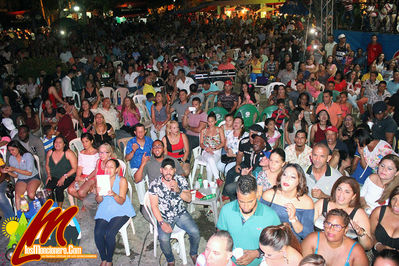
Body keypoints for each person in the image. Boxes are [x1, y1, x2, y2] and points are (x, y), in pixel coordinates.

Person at [217, 175, 280, 266]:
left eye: (250, 201)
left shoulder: (271, 216)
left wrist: (258, 253)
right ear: (237, 194)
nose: (246, 207)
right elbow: (220, 235)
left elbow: (277, 245)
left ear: (257, 194)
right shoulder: (226, 210)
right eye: (241, 201)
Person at [149, 158, 200, 266]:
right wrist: (161, 222)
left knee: (195, 232)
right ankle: (170, 260)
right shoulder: (154, 184)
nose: (168, 172)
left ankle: (194, 253)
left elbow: (189, 199)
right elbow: (154, 206)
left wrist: (178, 190)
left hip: (180, 213)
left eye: (171, 169)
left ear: (174, 170)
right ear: (161, 170)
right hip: (164, 216)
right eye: (165, 169)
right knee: (163, 238)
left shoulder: (180, 180)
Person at [94, 159, 135, 266]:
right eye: (106, 167)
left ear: (117, 169)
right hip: (105, 207)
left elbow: (121, 201)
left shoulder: (122, 180)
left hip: (120, 209)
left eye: (111, 167)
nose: (108, 169)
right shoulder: (101, 180)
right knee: (98, 233)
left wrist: (114, 194)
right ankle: (103, 258)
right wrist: (98, 194)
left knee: (109, 233)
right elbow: (99, 200)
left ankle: (109, 260)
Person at [314, 176, 373, 250]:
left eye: (347, 192)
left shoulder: (359, 213)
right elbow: (307, 226)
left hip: (344, 253)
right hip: (318, 245)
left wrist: (361, 233)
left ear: (353, 196)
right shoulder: (322, 203)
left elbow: (367, 246)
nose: (341, 194)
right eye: (339, 189)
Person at [262, 163, 314, 240]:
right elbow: (259, 220)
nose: (287, 179)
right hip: (269, 238)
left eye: (292, 177)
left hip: (292, 242)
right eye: (284, 175)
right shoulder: (269, 195)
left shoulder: (307, 203)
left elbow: (307, 234)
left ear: (299, 181)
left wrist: (293, 219)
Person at [301, 209, 368, 266]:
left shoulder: (356, 251)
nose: (331, 229)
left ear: (345, 230)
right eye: (328, 224)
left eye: (337, 226)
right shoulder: (312, 239)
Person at [3, 140, 40, 210]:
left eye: (12, 150)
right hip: (21, 179)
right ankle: (21, 217)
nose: (11, 152)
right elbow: (16, 175)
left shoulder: (27, 155)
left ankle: (37, 209)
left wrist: (14, 169)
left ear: (18, 148)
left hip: (33, 177)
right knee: (17, 196)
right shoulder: (11, 158)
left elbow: (29, 173)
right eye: (9, 151)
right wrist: (8, 172)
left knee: (31, 194)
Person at [45, 135, 77, 208]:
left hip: (69, 175)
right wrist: (49, 175)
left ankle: (59, 208)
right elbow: (47, 165)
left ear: (64, 144)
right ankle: (52, 207)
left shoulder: (69, 153)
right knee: (48, 189)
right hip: (54, 175)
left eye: (60, 142)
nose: (57, 144)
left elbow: (74, 169)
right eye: (56, 142)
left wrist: (64, 177)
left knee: (59, 189)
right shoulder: (50, 152)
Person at [125, 123, 153, 206]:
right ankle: (143, 204)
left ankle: (155, 199)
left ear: (145, 131)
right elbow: (127, 158)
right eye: (138, 132)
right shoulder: (131, 142)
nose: (140, 133)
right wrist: (133, 151)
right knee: (140, 181)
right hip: (136, 167)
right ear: (135, 132)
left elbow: (154, 152)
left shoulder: (149, 140)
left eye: (142, 131)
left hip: (148, 165)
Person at [67, 133, 99, 201]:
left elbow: (96, 169)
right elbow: (80, 167)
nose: (84, 144)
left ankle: (88, 204)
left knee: (81, 192)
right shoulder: (82, 152)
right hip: (83, 175)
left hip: (93, 177)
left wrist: (86, 179)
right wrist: (78, 176)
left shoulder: (96, 153)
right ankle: (87, 203)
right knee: (70, 190)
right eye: (83, 142)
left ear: (92, 141)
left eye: (86, 141)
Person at [370, 185, 399, 254]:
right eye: (394, 198)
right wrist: (378, 246)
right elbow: (369, 234)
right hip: (374, 256)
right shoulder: (379, 212)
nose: (396, 204)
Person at [199, 112, 225, 182]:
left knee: (209, 166)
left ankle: (209, 183)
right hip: (206, 151)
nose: (210, 123)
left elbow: (223, 143)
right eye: (208, 121)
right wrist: (206, 149)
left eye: (212, 121)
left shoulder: (219, 130)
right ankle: (217, 179)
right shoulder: (203, 131)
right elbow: (201, 143)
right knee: (210, 159)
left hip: (216, 152)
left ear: (215, 121)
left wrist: (213, 149)